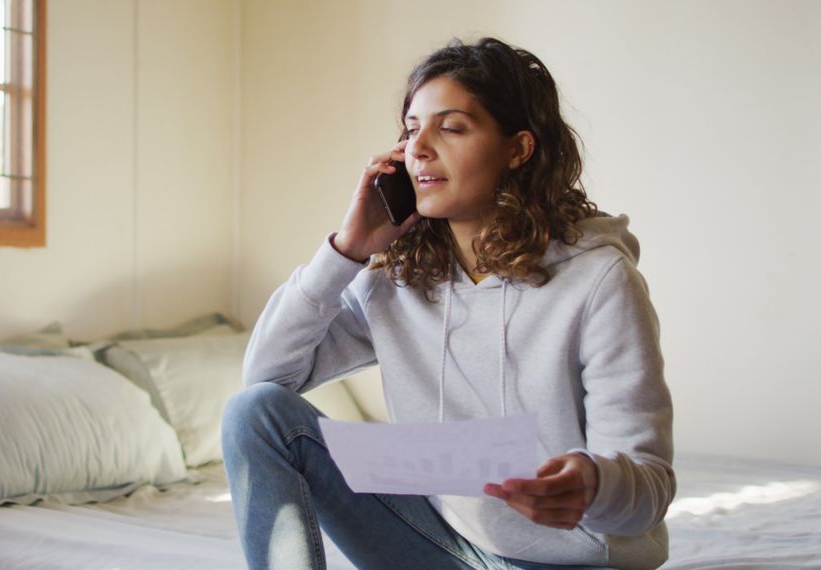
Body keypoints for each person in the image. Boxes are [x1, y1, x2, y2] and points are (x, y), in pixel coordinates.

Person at [221, 37, 674, 570]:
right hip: (442, 549)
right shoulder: (399, 279)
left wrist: (596, 485)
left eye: (451, 127)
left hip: (566, 560)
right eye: (412, 130)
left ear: (518, 149)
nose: (418, 149)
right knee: (253, 413)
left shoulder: (598, 279)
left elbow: (649, 483)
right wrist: (344, 253)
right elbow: (267, 375)